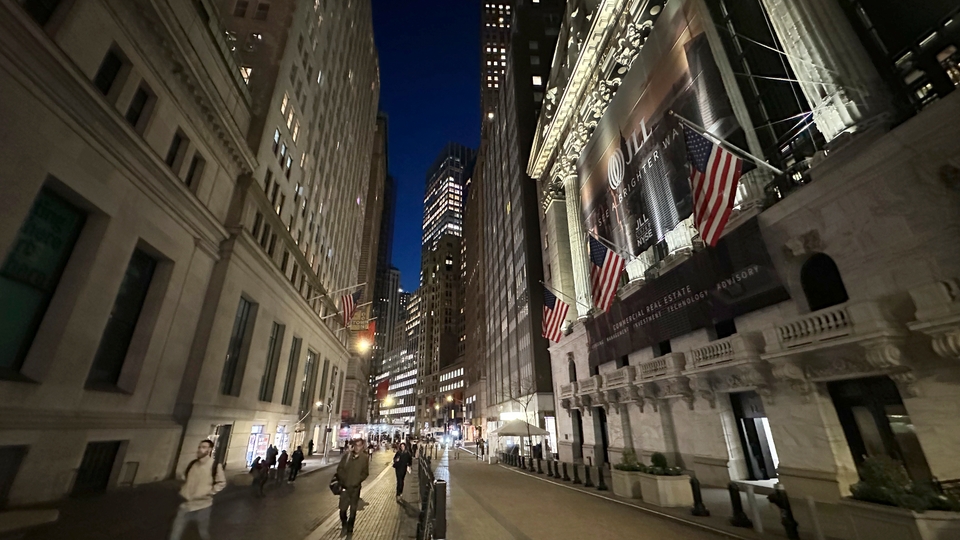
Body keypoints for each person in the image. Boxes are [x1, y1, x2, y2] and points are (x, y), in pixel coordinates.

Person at [169, 439, 226, 540]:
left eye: (203, 447)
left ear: (209, 450)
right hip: (186, 505)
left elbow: (221, 482)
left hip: (203, 506)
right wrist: (184, 489)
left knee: (203, 533)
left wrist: (209, 492)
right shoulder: (193, 464)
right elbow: (186, 478)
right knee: (175, 533)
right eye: (199, 447)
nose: (200, 449)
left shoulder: (215, 465)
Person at [335, 439, 369, 533]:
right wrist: (343, 480)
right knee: (342, 509)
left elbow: (365, 473)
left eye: (359, 445)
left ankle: (350, 527)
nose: (358, 448)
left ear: (362, 447)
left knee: (353, 509)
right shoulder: (347, 456)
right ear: (353, 446)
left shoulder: (364, 458)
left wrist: (357, 480)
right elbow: (339, 469)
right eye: (356, 445)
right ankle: (344, 522)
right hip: (345, 487)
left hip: (355, 488)